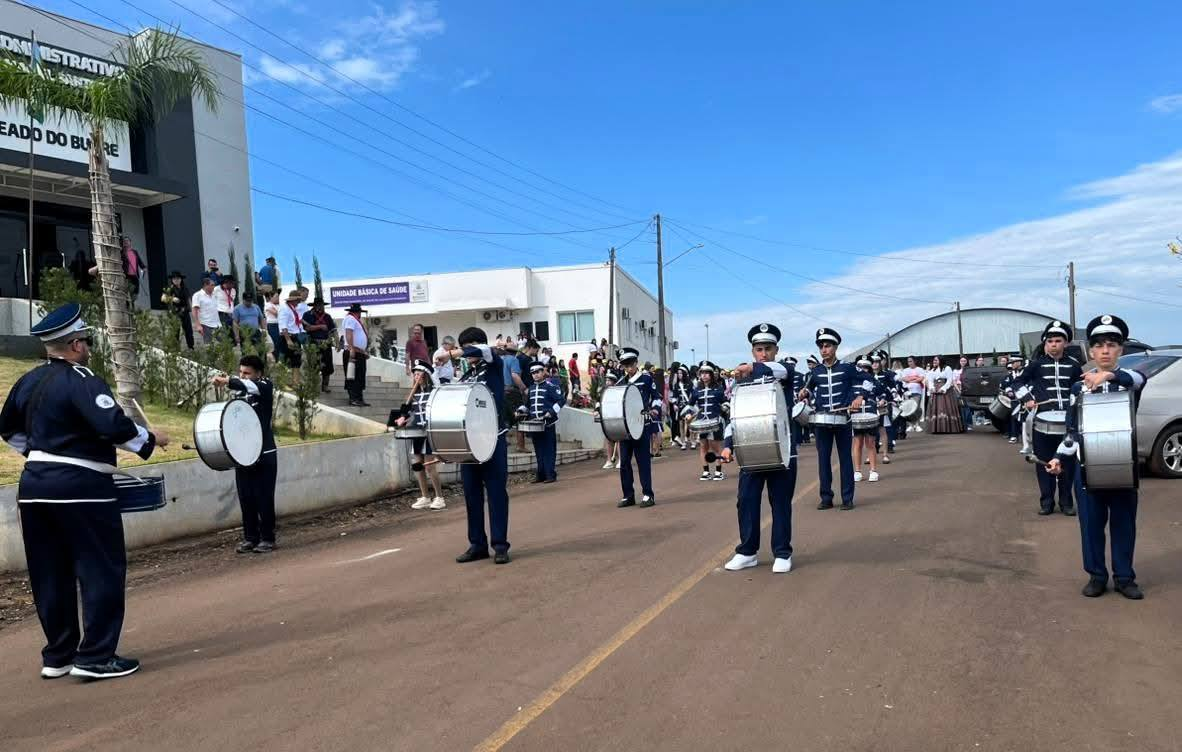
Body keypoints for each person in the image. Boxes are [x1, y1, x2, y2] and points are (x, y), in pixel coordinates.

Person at [0, 303, 169, 680]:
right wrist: (151, 439)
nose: (88, 346)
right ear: (75, 344)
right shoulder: (82, 380)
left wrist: (42, 453)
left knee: (50, 573)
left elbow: (8, 430)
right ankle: (95, 655)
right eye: (86, 340)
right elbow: (113, 425)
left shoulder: (27, 381)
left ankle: (58, 655)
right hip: (82, 487)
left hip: (33, 487)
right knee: (99, 569)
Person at [1047, 315, 1146, 599]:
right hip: (1088, 467)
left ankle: (1125, 578)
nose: (1105, 350)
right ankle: (1097, 576)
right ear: (1091, 352)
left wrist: (1110, 375)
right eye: (1100, 345)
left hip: (1123, 467)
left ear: (1121, 350)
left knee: (1124, 523)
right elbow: (1072, 431)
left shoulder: (1129, 382)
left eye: (1112, 345)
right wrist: (1058, 457)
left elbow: (1140, 378)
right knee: (1090, 524)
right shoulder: (1079, 388)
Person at [721, 323, 797, 573]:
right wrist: (728, 445)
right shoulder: (742, 380)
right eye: (758, 349)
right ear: (752, 350)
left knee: (781, 502)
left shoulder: (785, 370)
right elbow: (736, 416)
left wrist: (753, 367)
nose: (763, 353)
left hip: (782, 450)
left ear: (776, 350)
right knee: (746, 500)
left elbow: (780, 370)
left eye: (767, 348)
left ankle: (782, 553)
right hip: (751, 449)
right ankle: (748, 551)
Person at [446, 327, 512, 564]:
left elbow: (485, 350)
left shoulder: (493, 365)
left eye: (469, 346)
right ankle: (477, 544)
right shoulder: (465, 377)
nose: (467, 352)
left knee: (496, 494)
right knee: (472, 495)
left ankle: (500, 545)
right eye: (465, 347)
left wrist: (451, 353)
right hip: (470, 445)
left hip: (493, 440)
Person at [1015, 320, 1083, 516]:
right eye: (1050, 341)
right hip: (1042, 422)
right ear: (1045, 343)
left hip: (1068, 422)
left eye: (1058, 340)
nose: (1054, 344)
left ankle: (1066, 502)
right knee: (1043, 462)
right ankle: (1046, 502)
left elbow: (1079, 388)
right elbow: (1017, 383)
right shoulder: (1036, 364)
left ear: (1066, 343)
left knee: (1067, 463)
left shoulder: (1074, 365)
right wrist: (1027, 398)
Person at [212, 356, 278, 553]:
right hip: (242, 454)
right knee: (246, 497)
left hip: (264, 453)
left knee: (264, 497)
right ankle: (250, 537)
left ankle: (268, 538)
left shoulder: (265, 386)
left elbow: (251, 386)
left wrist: (228, 380)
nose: (243, 376)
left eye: (247, 373)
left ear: (259, 373)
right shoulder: (239, 393)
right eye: (241, 372)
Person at [799, 328, 865, 510]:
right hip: (821, 421)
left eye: (827, 346)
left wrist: (859, 397)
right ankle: (826, 497)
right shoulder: (816, 371)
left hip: (843, 419)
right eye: (821, 347)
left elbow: (867, 380)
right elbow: (810, 388)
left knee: (845, 458)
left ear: (835, 347)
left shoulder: (848, 367)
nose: (824, 350)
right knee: (823, 460)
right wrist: (804, 392)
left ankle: (847, 498)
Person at [389, 359, 445, 510]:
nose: (416, 377)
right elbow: (409, 411)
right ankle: (425, 496)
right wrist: (402, 417)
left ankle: (439, 497)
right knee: (417, 465)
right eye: (415, 374)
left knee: (429, 466)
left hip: (428, 432)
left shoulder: (433, 392)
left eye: (419, 374)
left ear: (425, 376)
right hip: (416, 432)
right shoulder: (415, 395)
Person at [615, 347, 659, 508]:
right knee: (625, 462)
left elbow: (657, 398)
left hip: (642, 425)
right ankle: (628, 495)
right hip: (625, 428)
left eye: (630, 364)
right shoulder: (621, 382)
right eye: (625, 365)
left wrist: (655, 409)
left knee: (643, 461)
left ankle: (648, 494)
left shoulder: (646, 379)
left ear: (636, 363)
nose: (628, 368)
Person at [519, 361, 565, 483]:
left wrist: (551, 412)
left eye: (538, 372)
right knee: (538, 450)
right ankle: (541, 474)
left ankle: (550, 475)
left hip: (548, 424)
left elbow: (561, 401)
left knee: (549, 449)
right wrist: (520, 410)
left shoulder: (551, 387)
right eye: (533, 373)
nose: (535, 375)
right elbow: (528, 405)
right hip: (535, 424)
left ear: (543, 372)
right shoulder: (532, 389)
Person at [689, 361, 729, 480]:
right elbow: (690, 405)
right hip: (701, 422)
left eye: (707, 373)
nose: (704, 375)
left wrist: (723, 409)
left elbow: (726, 402)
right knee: (703, 446)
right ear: (699, 375)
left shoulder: (718, 388)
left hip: (715, 421)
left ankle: (718, 471)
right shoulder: (696, 390)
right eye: (702, 373)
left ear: (711, 374)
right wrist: (688, 414)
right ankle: (706, 471)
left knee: (715, 447)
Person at [851, 357, 889, 482]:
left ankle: (873, 470)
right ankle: (857, 471)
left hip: (870, 414)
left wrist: (883, 400)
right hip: (856, 416)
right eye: (860, 367)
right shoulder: (852, 383)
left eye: (866, 367)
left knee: (870, 443)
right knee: (857, 443)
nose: (863, 369)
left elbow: (883, 393)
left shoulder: (873, 381)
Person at [302, 298, 337, 392]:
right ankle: (313, 385)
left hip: (326, 343)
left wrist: (336, 342)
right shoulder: (307, 315)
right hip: (313, 343)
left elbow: (333, 330)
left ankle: (325, 386)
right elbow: (307, 328)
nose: (321, 307)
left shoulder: (327, 317)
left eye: (322, 305)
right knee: (314, 365)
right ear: (314, 306)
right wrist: (320, 326)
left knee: (328, 366)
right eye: (318, 305)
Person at [341, 303, 370, 407]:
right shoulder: (350, 319)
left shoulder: (355, 320)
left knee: (360, 375)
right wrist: (352, 348)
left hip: (359, 352)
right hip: (353, 351)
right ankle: (353, 398)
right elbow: (349, 333)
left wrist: (363, 351)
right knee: (353, 375)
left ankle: (359, 398)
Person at [926, 356, 962, 434]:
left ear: (940, 360)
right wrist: (932, 388)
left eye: (936, 360)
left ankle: (949, 428)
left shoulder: (947, 368)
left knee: (945, 407)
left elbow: (949, 380)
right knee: (936, 409)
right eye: (934, 360)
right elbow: (930, 381)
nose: (934, 361)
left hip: (946, 392)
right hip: (935, 392)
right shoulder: (932, 370)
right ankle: (936, 429)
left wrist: (943, 388)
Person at [161, 270, 193, 350]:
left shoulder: (185, 288)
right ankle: (176, 349)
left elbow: (189, 299)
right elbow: (163, 298)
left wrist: (191, 309)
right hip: (175, 312)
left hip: (185, 311)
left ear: (181, 279)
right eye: (174, 279)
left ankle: (191, 347)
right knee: (175, 331)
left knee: (188, 330)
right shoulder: (170, 288)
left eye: (178, 278)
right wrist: (172, 298)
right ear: (172, 280)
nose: (176, 280)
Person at [596, 369, 621, 469]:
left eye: (609, 381)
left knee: (619, 439)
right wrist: (596, 411)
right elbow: (598, 402)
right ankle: (609, 460)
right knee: (608, 439)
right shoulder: (603, 392)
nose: (607, 382)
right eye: (606, 380)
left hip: (617, 418)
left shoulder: (618, 392)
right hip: (606, 418)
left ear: (614, 382)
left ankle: (621, 460)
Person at [278, 290, 306, 376]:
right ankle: (285, 382)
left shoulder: (292, 308)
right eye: (298, 300)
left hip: (295, 336)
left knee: (296, 361)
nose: (299, 302)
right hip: (288, 337)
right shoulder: (284, 309)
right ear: (293, 300)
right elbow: (283, 326)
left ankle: (295, 382)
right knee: (287, 361)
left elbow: (295, 320)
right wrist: (288, 340)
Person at [899, 356, 927, 431]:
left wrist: (910, 380)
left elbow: (921, 378)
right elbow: (904, 379)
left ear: (915, 361)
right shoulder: (905, 370)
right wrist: (915, 378)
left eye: (911, 361)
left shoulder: (920, 369)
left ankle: (917, 424)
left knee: (916, 408)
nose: (909, 363)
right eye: (908, 361)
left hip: (917, 391)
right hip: (907, 391)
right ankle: (910, 425)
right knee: (908, 408)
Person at [191, 276, 222, 345]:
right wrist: (198, 325)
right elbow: (194, 310)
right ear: (205, 285)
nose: (214, 287)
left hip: (217, 324)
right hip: (206, 324)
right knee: (209, 346)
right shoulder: (197, 295)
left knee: (224, 343)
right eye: (212, 285)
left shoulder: (214, 295)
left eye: (214, 285)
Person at [120, 236, 146, 303]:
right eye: (124, 241)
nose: (126, 242)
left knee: (136, 292)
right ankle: (128, 308)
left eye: (127, 241)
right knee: (128, 292)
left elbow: (139, 261)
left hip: (135, 275)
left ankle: (132, 306)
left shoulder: (134, 252)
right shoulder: (121, 253)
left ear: (130, 242)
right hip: (127, 276)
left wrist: (143, 267)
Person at [264, 291, 281, 360]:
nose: (278, 298)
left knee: (280, 342)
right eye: (276, 297)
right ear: (271, 297)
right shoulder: (268, 305)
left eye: (278, 296)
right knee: (276, 342)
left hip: (279, 325)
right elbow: (276, 313)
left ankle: (278, 358)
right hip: (272, 325)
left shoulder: (277, 306)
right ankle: (275, 358)